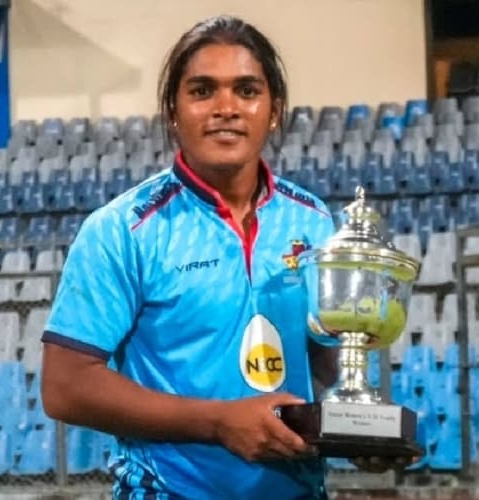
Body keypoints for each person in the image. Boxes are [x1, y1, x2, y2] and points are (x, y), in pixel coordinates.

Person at [41, 15, 339, 499]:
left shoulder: (313, 221)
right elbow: (65, 387)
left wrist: (360, 430)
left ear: (275, 111)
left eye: (247, 91)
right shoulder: (123, 229)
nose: (226, 108)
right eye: (202, 91)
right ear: (173, 113)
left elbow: (326, 366)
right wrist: (218, 422)